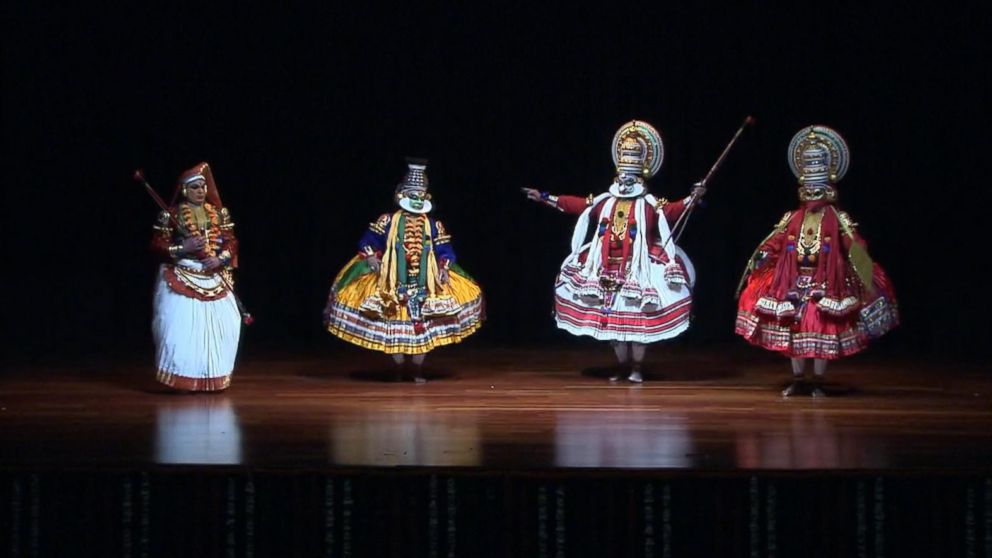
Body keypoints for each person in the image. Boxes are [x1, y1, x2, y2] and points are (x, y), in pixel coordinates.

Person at [523, 120, 705, 383]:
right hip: (605, 267)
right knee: (613, 328)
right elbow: (576, 205)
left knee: (637, 325)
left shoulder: (650, 205)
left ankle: (637, 368)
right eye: (622, 175)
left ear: (640, 176)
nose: (625, 180)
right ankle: (622, 366)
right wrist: (545, 197)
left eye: (630, 176)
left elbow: (676, 210)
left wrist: (693, 198)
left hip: (640, 270)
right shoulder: (604, 202)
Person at [736, 125, 899, 396]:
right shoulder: (791, 218)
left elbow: (853, 244)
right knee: (792, 328)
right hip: (792, 280)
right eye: (807, 190)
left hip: (825, 282)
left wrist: (863, 264)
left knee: (820, 325)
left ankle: (819, 382)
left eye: (816, 190)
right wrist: (763, 254)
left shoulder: (837, 220)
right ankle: (799, 379)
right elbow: (775, 241)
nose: (811, 196)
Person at [324, 159, 484, 382]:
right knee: (392, 325)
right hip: (392, 282)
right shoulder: (387, 220)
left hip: (424, 283)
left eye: (421, 194)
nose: (417, 198)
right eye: (413, 193)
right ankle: (399, 369)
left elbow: (445, 249)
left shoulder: (434, 225)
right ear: (402, 195)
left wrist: (444, 267)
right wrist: (371, 257)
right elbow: (368, 241)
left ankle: (417, 369)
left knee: (422, 327)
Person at [150, 162, 242, 392]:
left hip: (213, 275)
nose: (201, 191)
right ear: (184, 190)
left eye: (202, 187)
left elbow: (231, 241)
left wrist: (220, 258)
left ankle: (214, 377)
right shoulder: (171, 215)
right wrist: (184, 248)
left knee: (228, 324)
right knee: (178, 329)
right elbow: (158, 245)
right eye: (195, 188)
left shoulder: (219, 214)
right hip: (183, 274)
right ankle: (182, 379)